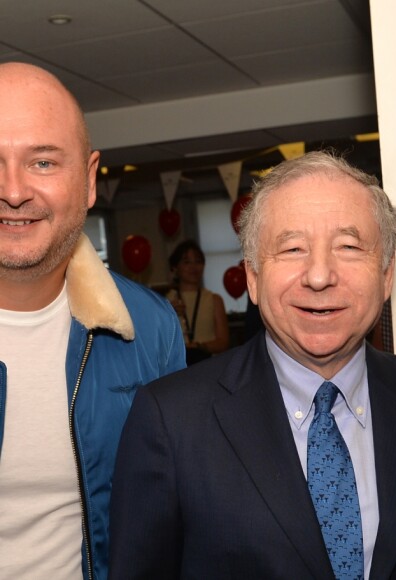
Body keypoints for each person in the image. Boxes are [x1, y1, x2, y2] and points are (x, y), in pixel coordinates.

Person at [109, 151, 396, 579]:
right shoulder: (172, 422)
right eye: (293, 248)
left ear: (386, 276)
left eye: (349, 247)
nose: (319, 275)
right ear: (253, 278)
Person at [0, 62, 186, 580]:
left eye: (42, 162)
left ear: (87, 179)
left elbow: (175, 513)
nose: (14, 191)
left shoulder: (149, 328)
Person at [166, 239, 229, 365]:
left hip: (209, 365)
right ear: (175, 268)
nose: (193, 267)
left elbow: (223, 342)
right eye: (187, 262)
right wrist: (168, 314)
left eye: (198, 261)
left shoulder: (214, 299)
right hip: (177, 369)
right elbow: (159, 344)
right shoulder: (165, 302)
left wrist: (199, 346)